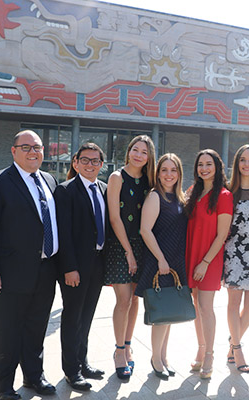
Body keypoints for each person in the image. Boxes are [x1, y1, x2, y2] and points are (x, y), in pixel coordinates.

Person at [0, 130, 58, 400]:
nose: (33, 152)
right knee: (6, 331)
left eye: (38, 147)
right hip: (10, 274)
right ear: (13, 151)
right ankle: (1, 385)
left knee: (36, 328)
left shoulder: (49, 180)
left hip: (46, 270)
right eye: (26, 147)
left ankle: (34, 376)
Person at [54, 143, 107, 391]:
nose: (90, 165)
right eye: (85, 160)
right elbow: (63, 233)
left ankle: (83, 363)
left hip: (98, 264)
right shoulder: (65, 191)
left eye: (95, 161)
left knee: (87, 317)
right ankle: (71, 370)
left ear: (101, 164)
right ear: (75, 163)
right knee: (72, 317)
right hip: (75, 267)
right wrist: (69, 267)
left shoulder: (105, 189)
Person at [105, 135, 155, 379]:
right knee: (123, 300)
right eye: (135, 150)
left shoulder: (149, 180)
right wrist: (128, 251)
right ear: (129, 152)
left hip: (142, 244)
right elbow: (115, 217)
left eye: (144, 152)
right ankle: (118, 350)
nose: (138, 155)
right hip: (120, 245)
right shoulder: (116, 177)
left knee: (135, 299)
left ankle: (128, 344)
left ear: (149, 157)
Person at [136, 153, 188, 381]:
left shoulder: (179, 197)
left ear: (179, 173)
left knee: (170, 313)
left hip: (175, 261)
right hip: (161, 262)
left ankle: (164, 358)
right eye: (164, 170)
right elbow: (145, 230)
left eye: (173, 170)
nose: (169, 174)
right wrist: (161, 259)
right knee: (162, 315)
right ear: (158, 173)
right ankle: (156, 359)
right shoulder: (155, 196)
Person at [185, 149, 233, 379]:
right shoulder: (192, 192)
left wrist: (204, 262)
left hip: (209, 259)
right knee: (196, 306)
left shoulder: (224, 195)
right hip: (191, 254)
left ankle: (210, 354)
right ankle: (200, 348)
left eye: (209, 164)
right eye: (200, 164)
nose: (204, 168)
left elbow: (222, 234)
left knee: (206, 307)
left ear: (217, 167)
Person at [223, 144, 249, 374]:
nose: (247, 164)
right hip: (234, 253)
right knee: (234, 303)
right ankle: (237, 348)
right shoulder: (229, 191)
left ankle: (232, 342)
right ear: (237, 163)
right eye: (243, 160)